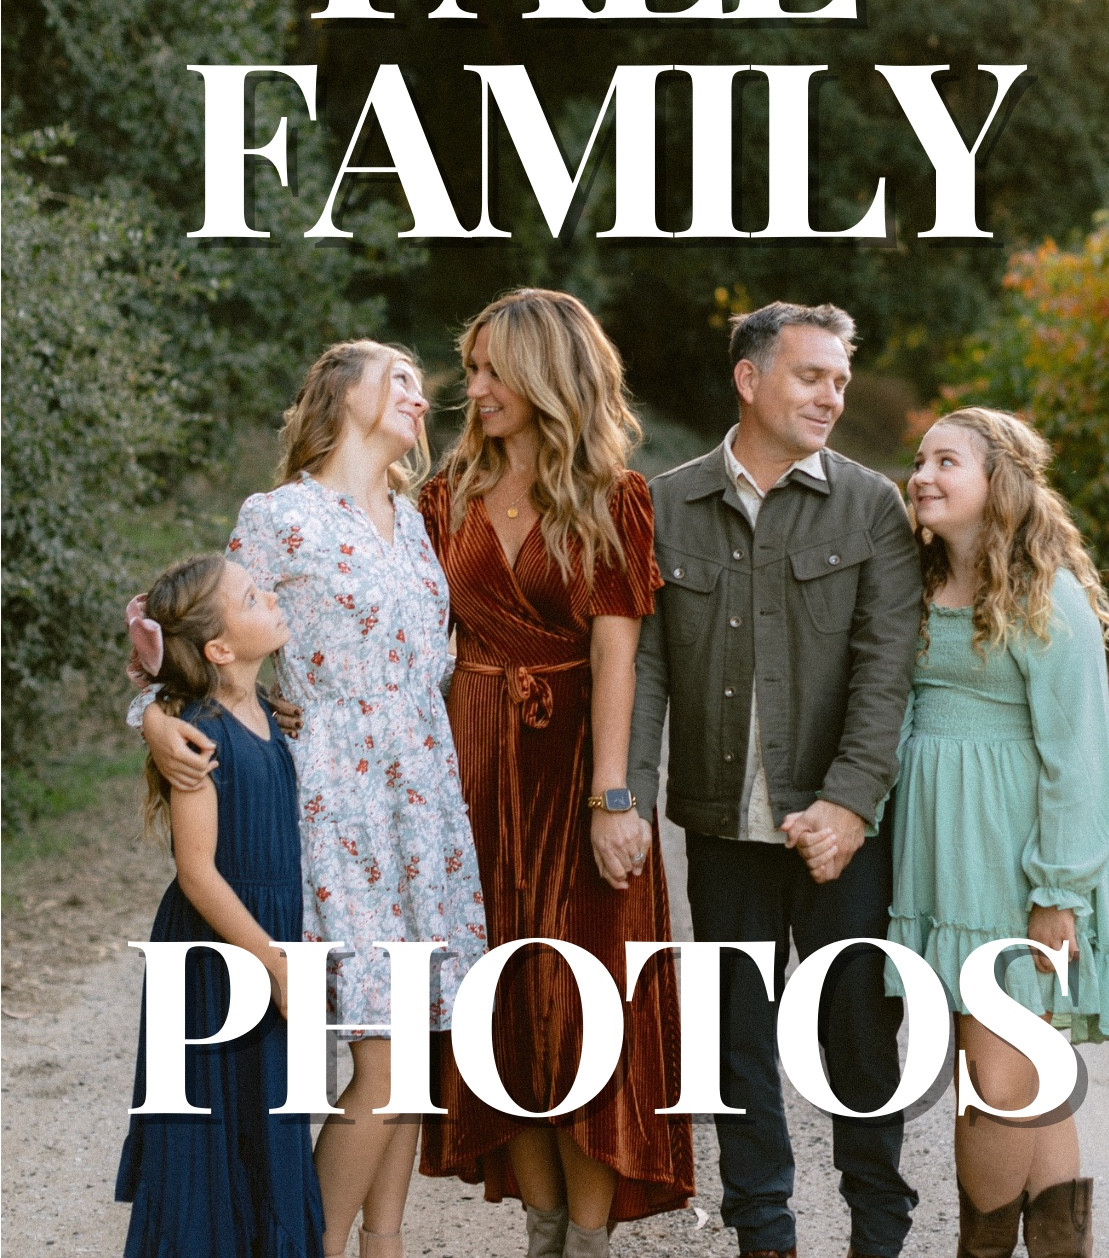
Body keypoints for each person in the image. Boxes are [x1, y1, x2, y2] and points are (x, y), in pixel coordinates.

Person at [135, 341, 488, 1258]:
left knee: (416, 1042)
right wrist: (151, 716)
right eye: (398, 378)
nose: (420, 395)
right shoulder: (280, 516)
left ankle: (385, 1246)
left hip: (423, 799)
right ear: (341, 397)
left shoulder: (416, 518)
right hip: (337, 800)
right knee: (384, 1052)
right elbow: (185, 631)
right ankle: (313, 1246)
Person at [626, 301, 922, 1258]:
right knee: (737, 1037)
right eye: (812, 376)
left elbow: (886, 669)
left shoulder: (871, 506)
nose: (832, 396)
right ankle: (765, 1233)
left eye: (841, 380)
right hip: (721, 827)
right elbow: (646, 669)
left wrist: (850, 803)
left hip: (839, 833)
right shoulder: (665, 504)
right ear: (749, 380)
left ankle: (878, 1232)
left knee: (857, 1035)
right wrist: (625, 796)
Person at [417, 288, 693, 1258]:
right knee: (500, 1012)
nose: (476, 387)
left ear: (546, 375)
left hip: (574, 761)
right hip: (472, 770)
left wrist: (613, 798)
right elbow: (404, 634)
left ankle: (588, 1239)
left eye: (495, 369)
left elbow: (617, 657)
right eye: (472, 368)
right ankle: (543, 1236)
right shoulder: (443, 495)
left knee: (585, 1010)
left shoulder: (616, 498)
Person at [884, 407, 1109, 1258]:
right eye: (920, 460)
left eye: (946, 461)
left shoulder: (1045, 594)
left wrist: (1058, 892)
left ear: (1001, 484)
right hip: (943, 859)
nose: (922, 475)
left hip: (1015, 863)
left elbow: (1079, 755)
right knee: (1027, 1074)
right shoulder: (919, 580)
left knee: (993, 1080)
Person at [115, 553, 325, 1257]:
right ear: (219, 650)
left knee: (264, 1125)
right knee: (208, 1134)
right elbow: (198, 873)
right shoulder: (198, 736)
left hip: (264, 943)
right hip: (218, 951)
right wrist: (275, 966)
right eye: (253, 597)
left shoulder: (267, 713)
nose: (272, 599)